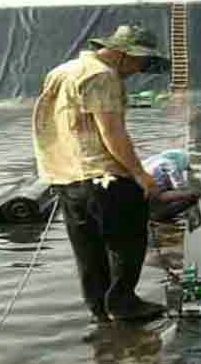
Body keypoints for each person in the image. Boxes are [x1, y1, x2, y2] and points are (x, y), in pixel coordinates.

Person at [32, 24, 172, 323]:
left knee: (87, 247)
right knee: (127, 241)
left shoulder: (63, 71)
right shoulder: (103, 75)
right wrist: (140, 175)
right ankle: (123, 303)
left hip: (65, 175)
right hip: (102, 175)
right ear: (125, 54)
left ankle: (98, 306)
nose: (138, 70)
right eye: (140, 62)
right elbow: (112, 133)